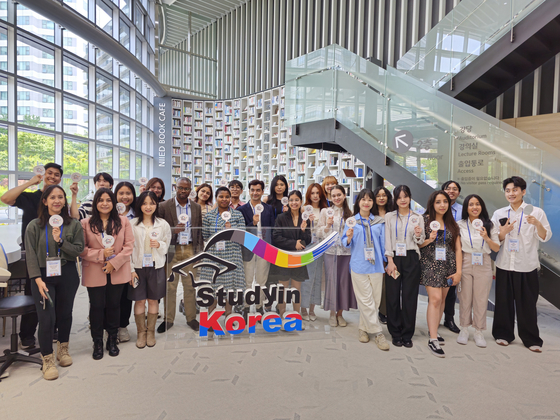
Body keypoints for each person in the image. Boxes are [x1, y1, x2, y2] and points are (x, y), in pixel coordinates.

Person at [0, 162, 71, 349]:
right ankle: (27, 335)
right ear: (43, 175)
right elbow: (5, 198)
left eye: (57, 175)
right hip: (34, 254)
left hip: (56, 255)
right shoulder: (32, 198)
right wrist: (31, 182)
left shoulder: (59, 201)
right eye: (50, 173)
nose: (53, 177)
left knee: (55, 293)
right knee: (33, 293)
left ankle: (53, 328)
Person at [25, 185, 84, 380]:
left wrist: (60, 242)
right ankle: (47, 359)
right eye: (52, 197)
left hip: (67, 272)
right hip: (42, 275)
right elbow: (31, 255)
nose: (57, 201)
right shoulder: (34, 225)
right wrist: (37, 279)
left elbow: (78, 250)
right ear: (45, 201)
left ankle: (63, 350)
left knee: (65, 314)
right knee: (46, 318)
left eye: (60, 197)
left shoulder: (73, 225)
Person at [491, 176, 551, 352]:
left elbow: (545, 236)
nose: (511, 193)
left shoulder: (536, 212)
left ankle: (531, 339)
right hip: (504, 264)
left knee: (527, 305)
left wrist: (537, 223)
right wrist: (503, 233)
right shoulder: (499, 213)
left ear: (523, 192)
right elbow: (496, 240)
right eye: (508, 190)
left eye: (515, 190)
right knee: (503, 302)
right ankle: (503, 334)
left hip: (527, 265)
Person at [80, 188, 134, 360]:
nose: (104, 203)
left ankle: (112, 339)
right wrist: (100, 255)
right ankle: (97, 341)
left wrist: (113, 262)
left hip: (117, 271)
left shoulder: (123, 221)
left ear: (113, 203)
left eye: (108, 200)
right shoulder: (86, 223)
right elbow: (82, 249)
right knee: (96, 307)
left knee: (114, 305)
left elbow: (129, 246)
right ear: (96, 203)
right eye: (101, 200)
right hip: (95, 271)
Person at [341, 188, 390, 350]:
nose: (366, 202)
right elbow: (344, 243)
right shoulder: (351, 222)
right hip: (359, 265)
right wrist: (348, 237)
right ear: (358, 202)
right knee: (365, 301)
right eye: (363, 199)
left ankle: (363, 328)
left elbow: (384, 244)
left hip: (376, 265)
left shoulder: (379, 222)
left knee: (374, 302)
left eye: (370, 199)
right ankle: (378, 333)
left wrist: (387, 261)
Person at [157, 177, 204, 333]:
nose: (183, 191)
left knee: (190, 286)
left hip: (190, 249)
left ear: (190, 190)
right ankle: (168, 319)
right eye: (180, 188)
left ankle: (191, 318)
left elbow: (199, 231)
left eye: (186, 188)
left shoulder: (196, 207)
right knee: (170, 286)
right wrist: (172, 230)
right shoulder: (164, 206)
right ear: (175, 187)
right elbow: (159, 230)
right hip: (172, 249)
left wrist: (200, 252)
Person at [419, 191, 462, 358]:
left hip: (448, 265)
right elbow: (418, 244)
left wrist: (458, 271)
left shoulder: (452, 224)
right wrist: (429, 239)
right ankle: (433, 339)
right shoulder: (424, 221)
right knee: (435, 299)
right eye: (438, 202)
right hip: (430, 264)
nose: (442, 205)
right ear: (432, 204)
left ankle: (434, 330)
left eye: (445, 201)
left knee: (442, 299)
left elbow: (458, 249)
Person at [457, 194, 500, 347]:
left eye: (477, 204)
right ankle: (464, 329)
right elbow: (456, 247)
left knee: (481, 299)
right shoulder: (460, 224)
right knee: (465, 297)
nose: (474, 207)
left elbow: (496, 247)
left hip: (484, 261)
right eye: (471, 204)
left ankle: (479, 331)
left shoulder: (490, 224)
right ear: (466, 208)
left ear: (482, 206)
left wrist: (487, 237)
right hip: (466, 260)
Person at [384, 185, 424, 348]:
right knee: (392, 296)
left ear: (410, 197)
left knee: (409, 296)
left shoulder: (417, 217)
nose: (402, 200)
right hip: (394, 258)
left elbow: (420, 242)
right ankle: (395, 332)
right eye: (399, 197)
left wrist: (418, 234)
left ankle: (407, 333)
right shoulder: (389, 217)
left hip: (411, 257)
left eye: (405, 196)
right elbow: (387, 239)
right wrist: (390, 260)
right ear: (395, 199)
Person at [130, 191, 171, 348]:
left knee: (153, 299)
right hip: (138, 267)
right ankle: (141, 332)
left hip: (156, 266)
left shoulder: (163, 224)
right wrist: (130, 269)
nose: (148, 207)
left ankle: (151, 332)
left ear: (156, 205)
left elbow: (166, 245)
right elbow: (128, 248)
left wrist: (159, 244)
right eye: (145, 203)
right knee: (140, 300)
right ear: (140, 205)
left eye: (152, 203)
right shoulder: (132, 224)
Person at [201, 187, 246, 316]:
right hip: (214, 255)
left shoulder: (237, 214)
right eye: (221, 196)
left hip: (232, 254)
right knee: (213, 285)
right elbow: (205, 235)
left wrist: (232, 230)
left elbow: (242, 235)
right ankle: (211, 316)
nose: (224, 199)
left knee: (230, 288)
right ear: (216, 198)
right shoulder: (209, 215)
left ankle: (228, 315)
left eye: (227, 197)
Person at [317, 185, 357, 327]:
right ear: (330, 197)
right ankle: (332, 313)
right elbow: (318, 233)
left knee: (343, 283)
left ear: (344, 195)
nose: (336, 198)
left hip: (346, 253)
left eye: (339, 195)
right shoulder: (325, 212)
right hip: (330, 252)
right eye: (333, 196)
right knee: (332, 282)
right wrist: (327, 226)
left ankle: (340, 314)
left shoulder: (350, 213)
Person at [270, 190, 311, 319]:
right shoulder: (281, 218)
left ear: (301, 201)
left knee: (296, 289)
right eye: (291, 200)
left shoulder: (305, 218)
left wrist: (303, 231)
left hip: (298, 258)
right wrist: (294, 244)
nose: (294, 203)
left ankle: (296, 316)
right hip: (284, 256)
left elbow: (308, 239)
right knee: (282, 289)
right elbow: (276, 237)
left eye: (297, 200)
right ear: (288, 201)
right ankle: (282, 315)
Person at [238, 180, 275, 316]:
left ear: (262, 191)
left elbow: (272, 229)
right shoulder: (241, 210)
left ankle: (259, 306)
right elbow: (240, 230)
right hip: (248, 247)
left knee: (261, 279)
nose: (255, 192)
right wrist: (252, 223)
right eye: (252, 190)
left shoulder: (269, 208)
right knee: (247, 279)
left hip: (264, 247)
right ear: (249, 191)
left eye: (258, 190)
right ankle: (246, 306)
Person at [114, 181, 137, 343]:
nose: (124, 197)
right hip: (112, 260)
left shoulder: (137, 214)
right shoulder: (109, 212)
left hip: (132, 260)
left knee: (126, 296)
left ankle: (123, 326)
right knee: (111, 297)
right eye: (121, 193)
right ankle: (111, 328)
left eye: (128, 193)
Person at [301, 183, 328, 321]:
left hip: (321, 247)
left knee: (318, 277)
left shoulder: (326, 210)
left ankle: (312, 308)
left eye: (318, 193)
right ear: (308, 195)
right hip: (307, 247)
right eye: (313, 193)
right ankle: (303, 308)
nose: (315, 196)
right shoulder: (303, 209)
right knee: (307, 278)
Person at [262, 175, 288, 312]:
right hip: (270, 241)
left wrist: (287, 213)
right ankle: (268, 302)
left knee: (281, 275)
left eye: (282, 184)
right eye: (277, 184)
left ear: (285, 186)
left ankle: (280, 304)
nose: (279, 187)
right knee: (269, 274)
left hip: (284, 242)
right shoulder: (267, 200)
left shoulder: (290, 201)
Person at [441, 180, 463, 334]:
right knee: (435, 288)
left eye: (454, 189)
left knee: (451, 287)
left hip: (455, 253)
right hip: (436, 254)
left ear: (458, 193)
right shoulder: (435, 208)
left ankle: (449, 318)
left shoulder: (463, 210)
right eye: (448, 188)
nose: (451, 191)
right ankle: (434, 318)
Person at [372, 186, 394, 325]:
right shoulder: (370, 214)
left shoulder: (392, 214)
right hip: (374, 253)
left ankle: (384, 311)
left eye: (384, 195)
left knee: (388, 284)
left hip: (390, 253)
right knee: (375, 283)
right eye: (378, 195)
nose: (381, 198)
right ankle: (374, 310)